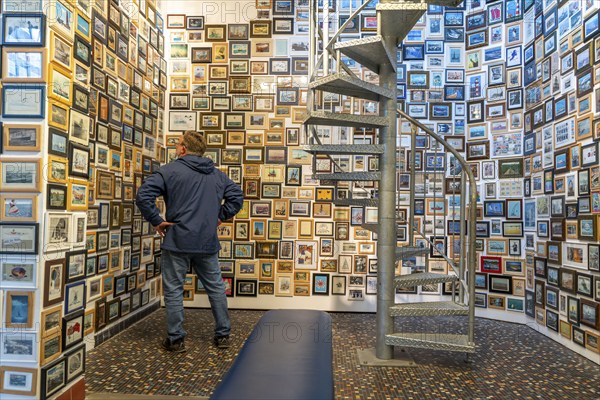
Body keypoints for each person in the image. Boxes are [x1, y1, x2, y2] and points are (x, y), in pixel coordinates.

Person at [136, 131, 243, 353]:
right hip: (206, 241)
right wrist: (220, 216)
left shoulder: (169, 171)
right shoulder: (217, 175)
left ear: (184, 149)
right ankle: (223, 335)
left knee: (174, 289)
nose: (175, 146)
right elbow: (237, 197)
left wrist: (157, 220)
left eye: (177, 143)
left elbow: (143, 195)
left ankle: (176, 340)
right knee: (215, 288)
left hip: (177, 240)